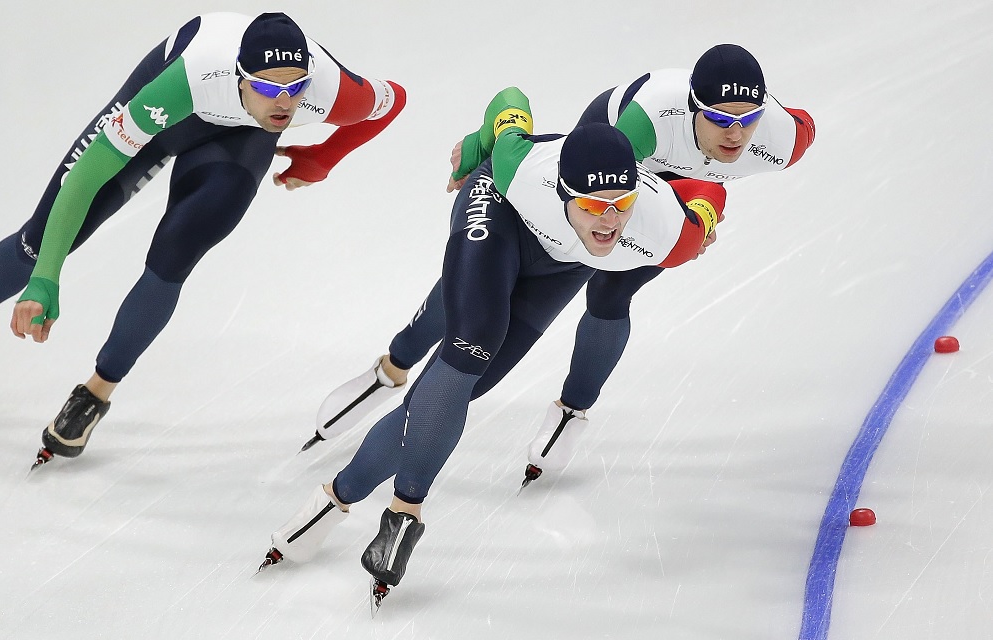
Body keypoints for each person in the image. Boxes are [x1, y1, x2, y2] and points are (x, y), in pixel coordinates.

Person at [0, 12, 406, 468]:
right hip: (168, 116)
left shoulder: (331, 92)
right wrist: (47, 278)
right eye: (266, 87)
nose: (283, 103)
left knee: (174, 255)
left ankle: (95, 392)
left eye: (294, 88)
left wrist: (324, 156)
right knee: (39, 242)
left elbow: (394, 99)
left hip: (238, 141)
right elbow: (87, 175)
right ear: (240, 76)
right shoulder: (187, 79)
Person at [261, 87, 727, 602]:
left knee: (453, 394)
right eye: (594, 204)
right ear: (564, 192)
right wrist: (480, 142)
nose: (610, 220)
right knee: (469, 339)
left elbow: (709, 192)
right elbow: (511, 100)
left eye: (621, 204)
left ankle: (336, 497)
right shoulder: (522, 170)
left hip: (560, 266)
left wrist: (704, 212)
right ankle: (403, 511)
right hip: (498, 214)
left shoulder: (662, 230)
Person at [303, 43, 814, 488]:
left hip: (654, 203)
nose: (735, 134)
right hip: (606, 180)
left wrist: (704, 210)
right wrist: (483, 148)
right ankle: (395, 364)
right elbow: (575, 177)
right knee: (482, 287)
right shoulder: (645, 123)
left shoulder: (782, 139)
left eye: (746, 120)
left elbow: (713, 180)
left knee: (611, 294)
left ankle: (572, 410)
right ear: (692, 108)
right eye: (721, 120)